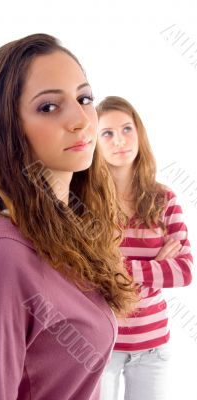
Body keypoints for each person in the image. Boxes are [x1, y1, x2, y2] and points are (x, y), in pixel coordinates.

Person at [0, 35, 137, 400]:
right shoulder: (4, 255)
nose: (80, 120)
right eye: (48, 107)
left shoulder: (71, 236)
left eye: (84, 98)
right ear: (8, 129)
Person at [96, 96, 193, 400]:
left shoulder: (164, 199)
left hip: (153, 345)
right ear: (95, 143)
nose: (119, 140)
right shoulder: (86, 204)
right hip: (101, 342)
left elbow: (185, 271)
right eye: (107, 133)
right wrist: (156, 267)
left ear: (139, 134)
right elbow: (84, 275)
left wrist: (116, 269)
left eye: (127, 129)